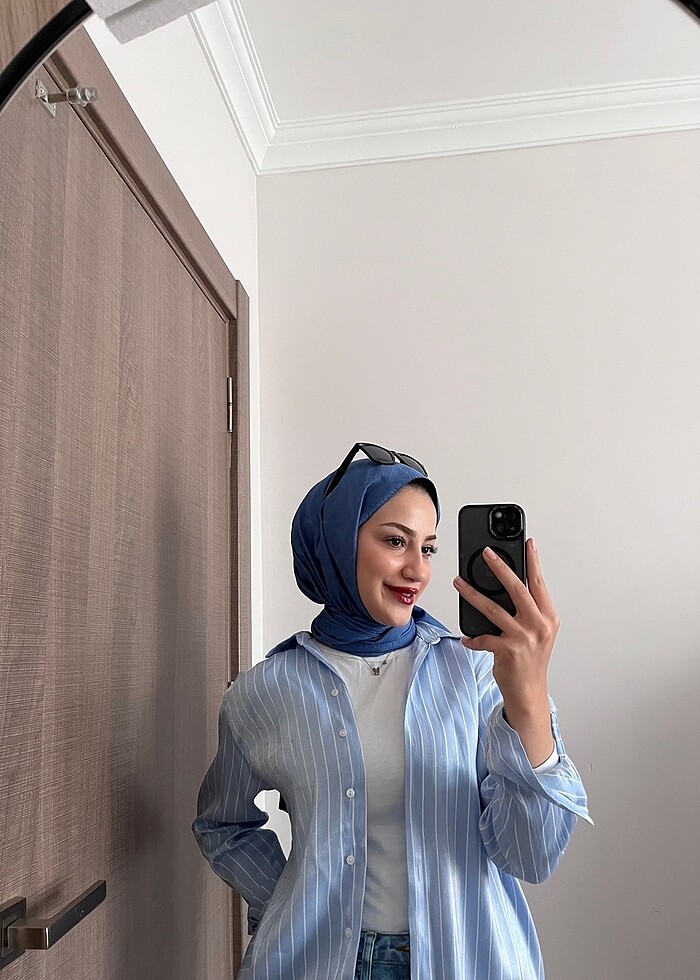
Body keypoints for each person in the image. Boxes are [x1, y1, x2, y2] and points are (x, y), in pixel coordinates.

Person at [192, 442, 592, 980]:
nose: (417, 570)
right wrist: (287, 901)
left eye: (428, 547)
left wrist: (530, 697)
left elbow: (532, 856)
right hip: (316, 964)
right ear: (335, 542)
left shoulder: (477, 673)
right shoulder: (266, 691)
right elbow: (222, 823)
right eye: (395, 541)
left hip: (465, 961)